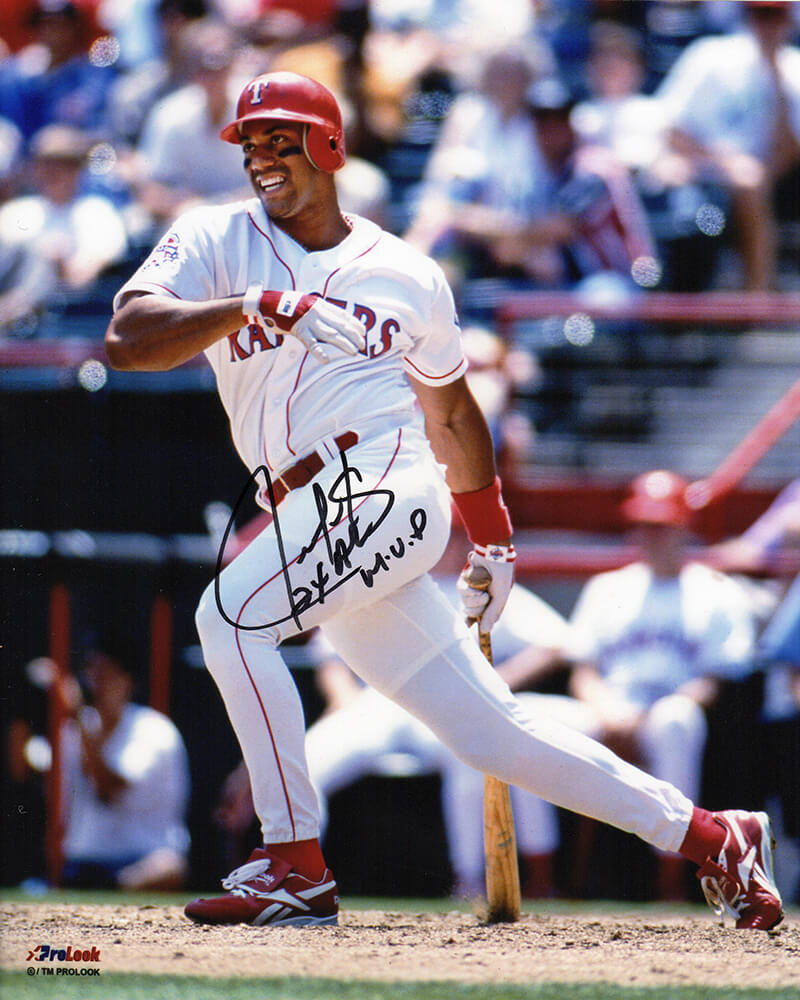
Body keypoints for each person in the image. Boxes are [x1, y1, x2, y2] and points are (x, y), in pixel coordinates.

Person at [104, 70, 783, 931]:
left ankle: (295, 862)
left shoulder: (405, 272)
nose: (262, 156)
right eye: (250, 140)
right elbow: (127, 342)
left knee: (229, 620)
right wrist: (252, 305)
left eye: (282, 136)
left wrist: (494, 539)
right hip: (306, 512)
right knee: (493, 735)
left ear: (330, 146)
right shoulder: (211, 239)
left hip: (387, 485)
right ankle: (713, 836)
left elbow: (454, 412)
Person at [498, 469, 760, 901]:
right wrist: (607, 710)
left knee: (675, 722)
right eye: (642, 526)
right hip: (608, 707)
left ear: (683, 528)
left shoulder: (716, 591)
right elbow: (584, 671)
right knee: (527, 715)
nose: (649, 536)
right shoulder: (608, 586)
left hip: (669, 707)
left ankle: (671, 882)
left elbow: (712, 683)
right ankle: (541, 876)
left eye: (660, 526)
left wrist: (644, 715)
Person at [654, 0, 800, 291]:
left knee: (751, 182)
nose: (767, 23)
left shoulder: (793, 68)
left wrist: (777, 81)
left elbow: (790, 151)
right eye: (760, 13)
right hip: (699, 167)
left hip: (767, 182)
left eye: (775, 14)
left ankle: (756, 300)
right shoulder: (711, 55)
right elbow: (671, 129)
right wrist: (724, 162)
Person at [58, 645, 191, 890]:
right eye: (91, 674)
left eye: (106, 675)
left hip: (139, 861)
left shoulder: (152, 729)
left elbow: (109, 790)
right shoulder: (72, 730)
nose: (95, 684)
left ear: (128, 681)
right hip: (83, 860)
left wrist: (78, 717)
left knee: (169, 867)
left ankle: (111, 890)